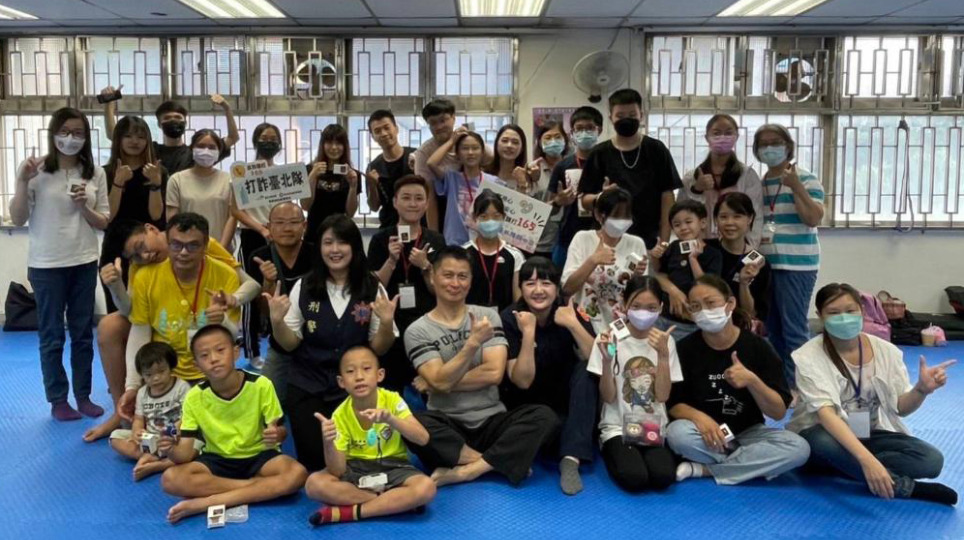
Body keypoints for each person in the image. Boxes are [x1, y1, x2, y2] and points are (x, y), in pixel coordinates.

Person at [84, 218, 257, 442]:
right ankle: (123, 410)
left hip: (202, 353)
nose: (145, 255)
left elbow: (249, 287)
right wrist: (132, 386)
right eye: (135, 256)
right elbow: (133, 316)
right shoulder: (143, 270)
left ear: (152, 229)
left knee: (214, 431)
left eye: (141, 246)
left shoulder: (208, 254)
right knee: (110, 326)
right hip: (166, 355)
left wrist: (232, 301)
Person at [788, 283, 958, 506]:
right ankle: (900, 486)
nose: (844, 318)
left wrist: (921, 390)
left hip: (867, 433)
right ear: (820, 316)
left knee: (932, 460)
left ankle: (847, 466)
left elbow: (901, 408)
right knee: (818, 440)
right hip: (823, 435)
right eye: (834, 313)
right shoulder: (808, 356)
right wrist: (868, 461)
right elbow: (827, 415)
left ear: (862, 311)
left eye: (850, 311)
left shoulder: (886, 351)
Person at [404, 246, 559, 487]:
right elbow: (441, 381)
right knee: (411, 424)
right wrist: (473, 343)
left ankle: (469, 470)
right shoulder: (417, 331)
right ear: (433, 276)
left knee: (544, 417)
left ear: (470, 280)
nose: (455, 283)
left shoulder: (487, 317)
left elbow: (494, 373)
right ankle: (497, 461)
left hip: (491, 421)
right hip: (448, 423)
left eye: (462, 276)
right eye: (448, 275)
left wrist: (439, 382)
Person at [264, 214, 398, 472]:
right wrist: (277, 321)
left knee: (358, 462)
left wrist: (386, 322)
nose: (335, 250)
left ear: (354, 247)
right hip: (308, 385)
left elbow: (379, 348)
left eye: (342, 242)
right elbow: (290, 344)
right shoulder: (304, 285)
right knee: (315, 465)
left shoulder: (372, 286)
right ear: (319, 247)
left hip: (355, 389)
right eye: (328, 243)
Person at [9, 107, 109, 421]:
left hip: (83, 260)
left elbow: (104, 220)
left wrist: (83, 207)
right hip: (46, 264)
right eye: (65, 131)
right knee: (52, 335)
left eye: (78, 133)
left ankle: (84, 395)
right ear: (54, 133)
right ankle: (58, 400)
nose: (71, 138)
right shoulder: (34, 170)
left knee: (82, 334)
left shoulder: (95, 172)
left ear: (86, 137)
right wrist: (22, 181)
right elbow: (17, 218)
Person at [665, 275, 809, 485]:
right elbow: (674, 404)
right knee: (676, 435)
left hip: (748, 432)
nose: (704, 311)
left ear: (730, 303)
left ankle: (706, 470)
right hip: (705, 434)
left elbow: (778, 412)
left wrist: (752, 381)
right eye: (696, 307)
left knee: (799, 448)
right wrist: (699, 418)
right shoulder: (685, 349)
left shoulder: (758, 348)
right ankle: (751, 463)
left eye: (710, 303)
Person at [161, 325, 308, 523]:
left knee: (297, 474)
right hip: (216, 459)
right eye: (204, 355)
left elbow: (280, 431)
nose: (214, 359)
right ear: (196, 365)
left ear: (236, 352)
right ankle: (258, 489)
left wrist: (277, 434)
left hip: (260, 457)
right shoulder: (194, 397)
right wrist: (170, 449)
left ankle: (207, 502)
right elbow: (185, 455)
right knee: (170, 479)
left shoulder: (261, 385)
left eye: (220, 350)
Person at [305, 347, 436, 525]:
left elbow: (423, 438)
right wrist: (328, 442)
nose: (359, 376)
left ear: (379, 375)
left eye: (366, 369)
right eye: (350, 371)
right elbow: (338, 471)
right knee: (314, 484)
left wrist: (391, 419)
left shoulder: (393, 400)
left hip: (394, 467)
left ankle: (350, 513)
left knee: (426, 487)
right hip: (356, 470)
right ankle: (395, 502)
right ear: (341, 382)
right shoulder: (339, 415)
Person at [500, 257, 597, 495]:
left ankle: (570, 458)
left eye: (546, 283)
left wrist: (573, 325)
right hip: (528, 406)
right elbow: (521, 381)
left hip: (565, 402)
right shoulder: (509, 317)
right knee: (547, 425)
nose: (538, 290)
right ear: (521, 288)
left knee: (586, 370)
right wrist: (529, 332)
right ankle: (559, 442)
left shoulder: (569, 310)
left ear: (556, 287)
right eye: (530, 283)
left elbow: (597, 361)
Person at [124, 213, 242, 396]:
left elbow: (233, 336)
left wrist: (222, 320)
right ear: (168, 244)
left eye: (193, 245)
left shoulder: (226, 275)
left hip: (210, 371)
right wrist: (132, 386)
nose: (184, 252)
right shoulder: (145, 277)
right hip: (165, 374)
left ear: (205, 246)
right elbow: (140, 331)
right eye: (176, 245)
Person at [588, 276, 680, 493]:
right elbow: (608, 397)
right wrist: (607, 361)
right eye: (636, 306)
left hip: (651, 426)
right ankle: (608, 448)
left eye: (651, 308)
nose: (643, 313)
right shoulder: (608, 339)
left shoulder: (666, 342)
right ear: (624, 303)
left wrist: (663, 356)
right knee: (634, 478)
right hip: (617, 427)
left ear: (661, 308)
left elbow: (663, 396)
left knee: (663, 476)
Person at [754, 124, 825, 387]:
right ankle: (783, 384)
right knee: (773, 329)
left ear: (788, 146)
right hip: (766, 265)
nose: (769, 148)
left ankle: (801, 387)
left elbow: (813, 218)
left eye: (775, 142)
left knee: (794, 329)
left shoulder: (805, 178)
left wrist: (796, 187)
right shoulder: (760, 183)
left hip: (796, 265)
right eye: (763, 144)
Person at [367, 175, 445, 394]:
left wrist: (426, 266)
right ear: (395, 202)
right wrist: (391, 261)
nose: (412, 204)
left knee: (430, 386)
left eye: (419, 198)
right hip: (390, 323)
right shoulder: (381, 239)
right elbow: (374, 288)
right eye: (406, 198)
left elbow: (441, 290)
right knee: (390, 390)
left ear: (427, 204)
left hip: (426, 322)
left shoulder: (436, 240)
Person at [579, 88, 682, 249]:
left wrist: (664, 242)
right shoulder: (599, 153)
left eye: (632, 115)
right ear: (611, 118)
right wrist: (600, 197)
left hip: (650, 239)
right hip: (607, 241)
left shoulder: (656, 149)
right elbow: (584, 200)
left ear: (641, 115)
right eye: (620, 116)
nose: (626, 120)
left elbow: (667, 197)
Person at [248, 201, 315, 404]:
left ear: (304, 226)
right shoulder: (259, 258)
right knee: (265, 403)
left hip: (315, 342)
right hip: (279, 344)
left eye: (294, 222)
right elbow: (263, 312)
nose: (287, 228)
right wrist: (268, 283)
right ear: (269, 227)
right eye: (279, 222)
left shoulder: (317, 254)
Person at [100, 115, 167, 313]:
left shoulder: (157, 171)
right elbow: (108, 216)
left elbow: (156, 216)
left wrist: (155, 184)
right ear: (118, 139)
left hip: (149, 248)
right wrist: (118, 182)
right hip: (116, 248)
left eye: (140, 137)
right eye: (128, 136)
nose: (134, 141)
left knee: (154, 310)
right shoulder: (105, 172)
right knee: (119, 312)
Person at [231, 122, 283, 370]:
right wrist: (262, 229)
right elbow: (236, 210)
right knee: (252, 294)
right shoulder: (242, 172)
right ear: (255, 141)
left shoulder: (284, 174)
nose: (269, 142)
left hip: (279, 238)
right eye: (264, 138)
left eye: (273, 139)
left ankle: (279, 346)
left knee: (277, 292)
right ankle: (252, 351)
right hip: (253, 237)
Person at [562, 187, 648, 334]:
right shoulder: (582, 239)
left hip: (622, 327)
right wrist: (593, 261)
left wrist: (638, 277)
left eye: (626, 216)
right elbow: (567, 288)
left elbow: (642, 295)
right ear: (598, 215)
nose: (622, 221)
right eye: (616, 216)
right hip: (586, 323)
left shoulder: (636, 243)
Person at [102, 89, 239, 175]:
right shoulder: (151, 149)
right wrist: (109, 106)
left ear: (185, 123)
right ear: (159, 124)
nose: (173, 121)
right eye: (167, 118)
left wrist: (226, 108)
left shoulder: (196, 152)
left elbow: (233, 138)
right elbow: (114, 135)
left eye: (178, 118)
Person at [108, 342, 192, 481]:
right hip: (151, 438)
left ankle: (158, 464)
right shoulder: (142, 393)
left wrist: (170, 433)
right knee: (115, 437)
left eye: (161, 371)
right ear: (142, 375)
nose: (156, 378)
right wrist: (137, 431)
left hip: (175, 437)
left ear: (171, 367)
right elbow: (139, 418)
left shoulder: (182, 387)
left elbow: (187, 417)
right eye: (149, 374)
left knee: (196, 445)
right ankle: (150, 457)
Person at [677, 114, 763, 245]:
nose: (722, 138)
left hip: (735, 246)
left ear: (736, 137)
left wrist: (749, 248)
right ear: (707, 137)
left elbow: (756, 216)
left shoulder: (747, 176)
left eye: (728, 133)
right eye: (716, 133)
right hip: (700, 246)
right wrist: (697, 190)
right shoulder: (691, 177)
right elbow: (681, 214)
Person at [650, 200, 723, 340]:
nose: (683, 227)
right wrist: (655, 257)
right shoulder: (673, 247)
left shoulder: (713, 254)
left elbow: (706, 285)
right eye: (677, 225)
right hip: (663, 315)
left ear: (702, 223)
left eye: (688, 222)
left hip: (690, 322)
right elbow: (659, 273)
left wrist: (693, 259)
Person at [547, 106, 604, 268]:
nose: (584, 133)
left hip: (602, 237)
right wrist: (558, 201)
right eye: (579, 129)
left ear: (599, 130)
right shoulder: (562, 166)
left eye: (590, 128)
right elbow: (548, 209)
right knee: (564, 280)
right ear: (572, 133)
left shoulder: (607, 162)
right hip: (568, 238)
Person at [707, 192, 770, 329]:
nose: (730, 222)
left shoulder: (758, 263)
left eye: (737, 216)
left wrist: (744, 283)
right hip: (705, 323)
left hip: (739, 328)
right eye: (723, 217)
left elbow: (751, 314)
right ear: (716, 220)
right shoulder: (705, 249)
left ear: (750, 219)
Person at [427, 130, 501, 247]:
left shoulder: (493, 182)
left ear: (482, 152)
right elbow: (431, 163)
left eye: (475, 148)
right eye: (465, 148)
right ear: (457, 153)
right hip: (455, 243)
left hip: (483, 243)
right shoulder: (452, 178)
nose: (470, 152)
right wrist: (451, 141)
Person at [166, 129, 236, 248]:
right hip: (187, 250)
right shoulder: (176, 180)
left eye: (212, 147)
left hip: (222, 249)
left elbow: (233, 217)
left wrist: (221, 249)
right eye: (201, 146)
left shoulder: (229, 180)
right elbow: (172, 219)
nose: (206, 151)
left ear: (219, 152)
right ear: (192, 149)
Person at [464, 191, 524, 312]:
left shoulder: (515, 256)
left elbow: (518, 300)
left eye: (496, 216)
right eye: (484, 217)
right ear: (475, 218)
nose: (490, 221)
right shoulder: (462, 253)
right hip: (469, 319)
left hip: (503, 320)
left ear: (503, 217)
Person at [303, 124, 360, 239]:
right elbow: (305, 206)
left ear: (345, 146)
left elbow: (350, 213)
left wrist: (353, 187)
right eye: (329, 142)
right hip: (314, 233)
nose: (334, 147)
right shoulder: (309, 170)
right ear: (322, 145)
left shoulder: (352, 174)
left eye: (339, 143)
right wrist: (312, 177)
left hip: (340, 233)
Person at [412, 99, 459, 230]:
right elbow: (430, 197)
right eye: (433, 123)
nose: (439, 127)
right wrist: (434, 236)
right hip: (443, 212)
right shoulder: (424, 153)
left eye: (443, 120)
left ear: (453, 118)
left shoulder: (469, 142)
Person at [366, 109, 417, 229]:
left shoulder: (416, 156)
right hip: (389, 226)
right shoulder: (373, 167)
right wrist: (372, 185)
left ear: (396, 129)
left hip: (418, 224)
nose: (383, 134)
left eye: (387, 128)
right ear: (373, 137)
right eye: (377, 131)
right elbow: (374, 207)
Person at [530, 120, 569, 259]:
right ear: (539, 142)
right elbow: (527, 208)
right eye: (547, 138)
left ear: (565, 140)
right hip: (540, 242)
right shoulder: (532, 170)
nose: (553, 141)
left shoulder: (573, 166)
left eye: (558, 137)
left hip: (569, 239)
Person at [486, 123, 537, 194]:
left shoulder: (529, 177)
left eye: (515, 142)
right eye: (504, 141)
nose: (509, 146)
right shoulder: (485, 174)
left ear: (522, 148)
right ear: (496, 143)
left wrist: (522, 185)